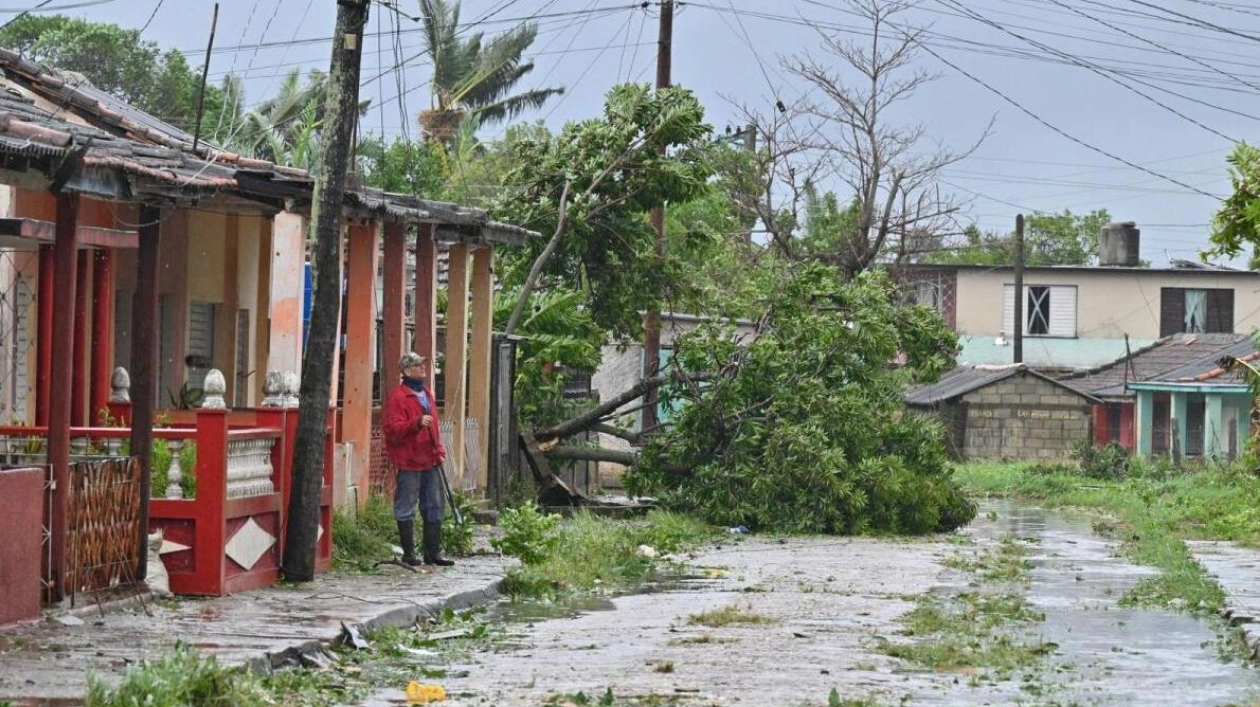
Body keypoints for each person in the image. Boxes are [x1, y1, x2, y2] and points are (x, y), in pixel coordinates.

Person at [382, 352, 453, 567]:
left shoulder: (427, 394)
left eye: (422, 364)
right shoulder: (399, 398)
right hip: (409, 460)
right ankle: (409, 553)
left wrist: (438, 450)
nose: (422, 368)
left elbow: (435, 429)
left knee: (434, 505)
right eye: (416, 365)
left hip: (430, 458)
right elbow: (392, 429)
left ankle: (433, 553)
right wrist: (416, 423)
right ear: (405, 371)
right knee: (406, 506)